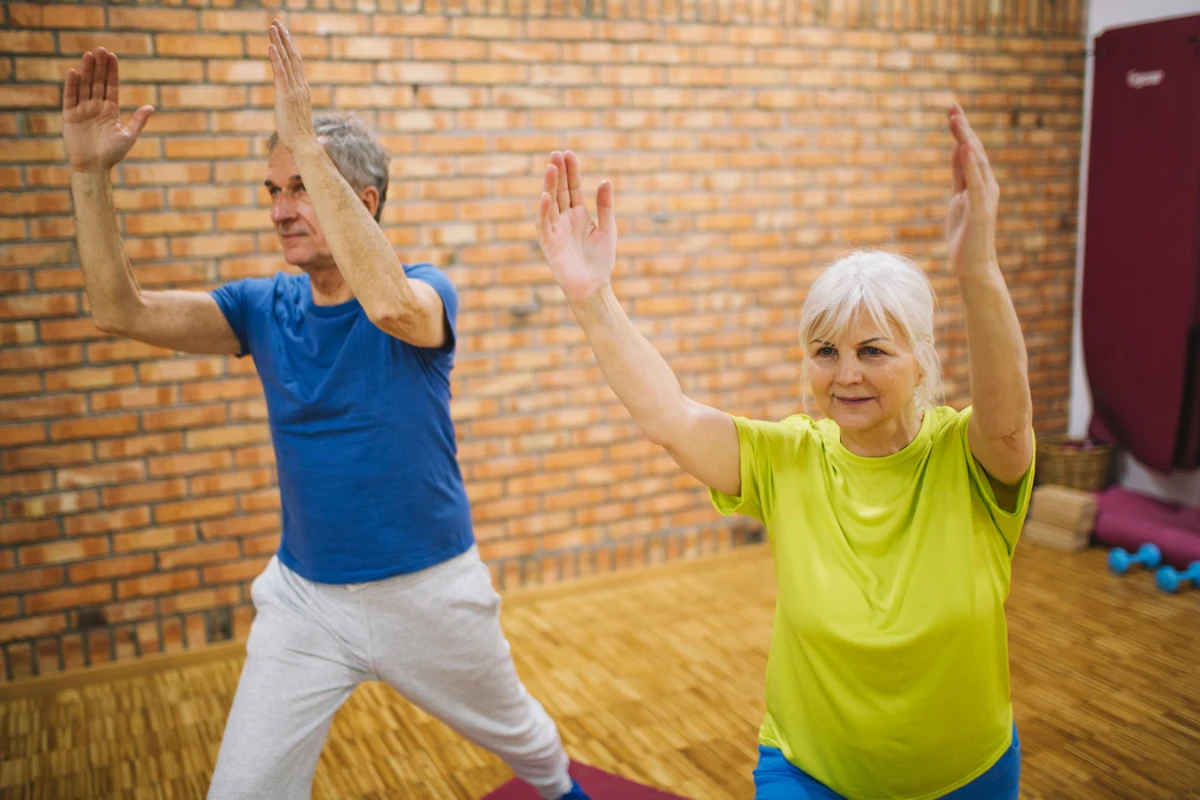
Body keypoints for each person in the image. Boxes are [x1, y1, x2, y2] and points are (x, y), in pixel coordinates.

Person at [61, 21, 588, 800]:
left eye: (300, 187)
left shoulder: (423, 289)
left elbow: (390, 307)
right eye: (273, 190)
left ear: (361, 201)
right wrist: (87, 174)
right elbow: (118, 309)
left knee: (533, 752)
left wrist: (309, 140)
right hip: (304, 603)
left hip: (429, 593)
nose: (279, 209)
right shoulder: (261, 308)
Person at [534, 104, 1033, 799]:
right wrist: (592, 299)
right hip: (809, 770)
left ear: (921, 361)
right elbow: (671, 418)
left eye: (872, 351)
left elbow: (1011, 426)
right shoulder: (789, 457)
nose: (845, 373)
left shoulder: (968, 457)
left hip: (966, 774)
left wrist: (977, 270)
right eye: (825, 352)